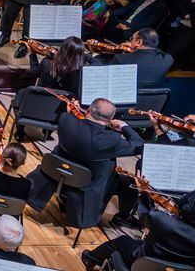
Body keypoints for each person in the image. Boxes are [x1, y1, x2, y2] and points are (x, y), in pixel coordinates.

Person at [35, 97, 143, 229]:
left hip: (57, 173)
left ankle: (64, 198)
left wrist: (71, 111)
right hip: (86, 184)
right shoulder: (111, 140)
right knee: (128, 182)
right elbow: (139, 145)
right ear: (110, 118)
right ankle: (123, 217)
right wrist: (123, 126)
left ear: (89, 110)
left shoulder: (66, 120)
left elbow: (78, 126)